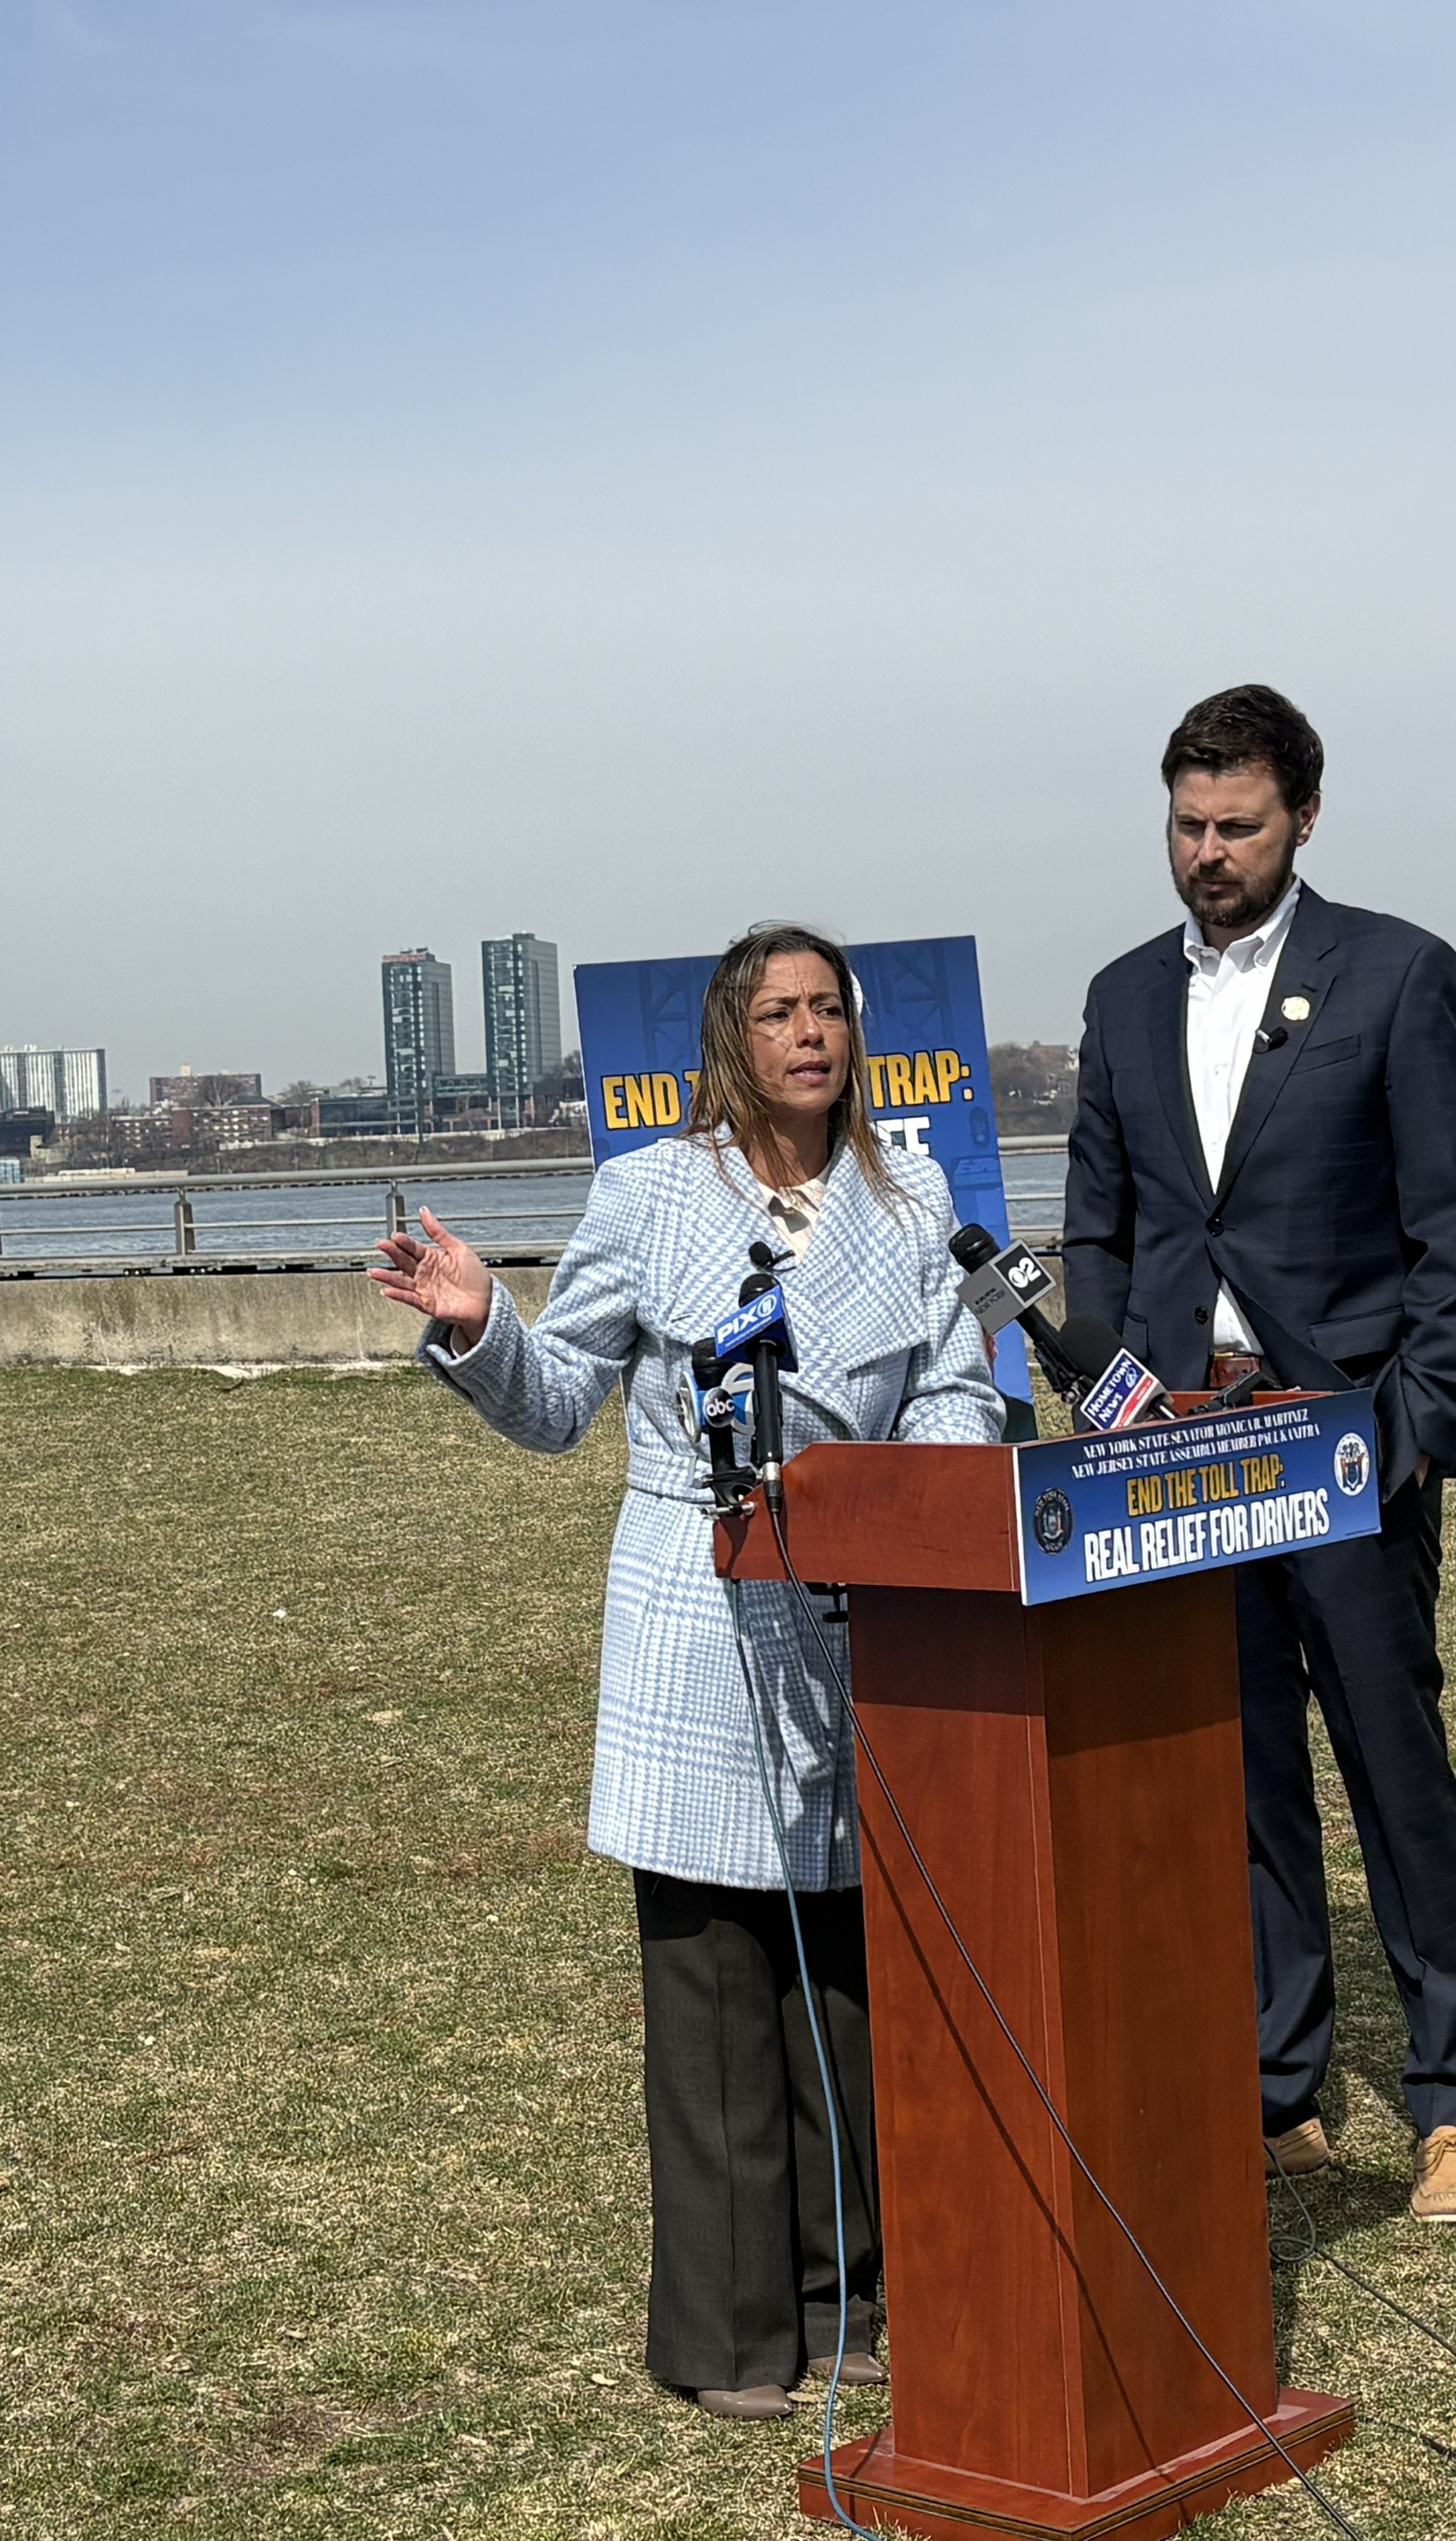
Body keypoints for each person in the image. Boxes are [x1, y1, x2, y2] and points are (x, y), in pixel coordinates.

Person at [369, 922, 1004, 2417]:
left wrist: (917, 1499)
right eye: (778, 1011)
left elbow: (960, 1391)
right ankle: (727, 2338)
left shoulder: (910, 1202)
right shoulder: (651, 1191)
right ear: (730, 1038)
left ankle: (844, 2295)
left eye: (829, 1009)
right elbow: (558, 1406)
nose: (810, 1033)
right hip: (696, 1613)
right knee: (715, 1985)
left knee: (842, 1984)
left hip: (859, 1612)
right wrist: (481, 1329)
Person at [1060, 683, 1456, 2225]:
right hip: (1184, 1451)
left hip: (1345, 1444)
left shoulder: (1395, 975)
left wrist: (1417, 1432)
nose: (1208, 851)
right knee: (1242, 1782)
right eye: (1186, 824)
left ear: (1302, 817)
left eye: (1237, 824)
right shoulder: (1122, 998)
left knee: (1396, 1769)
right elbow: (1103, 1220)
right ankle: (1282, 2090)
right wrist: (1120, 1401)